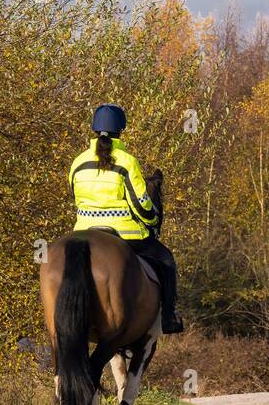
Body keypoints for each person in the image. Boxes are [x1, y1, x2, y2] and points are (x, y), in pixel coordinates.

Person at [69, 103, 184, 333]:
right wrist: (152, 220)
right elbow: (141, 205)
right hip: (125, 234)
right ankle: (169, 317)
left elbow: (75, 197)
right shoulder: (126, 161)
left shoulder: (78, 162)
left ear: (94, 129)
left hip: (82, 234)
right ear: (121, 130)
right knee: (167, 261)